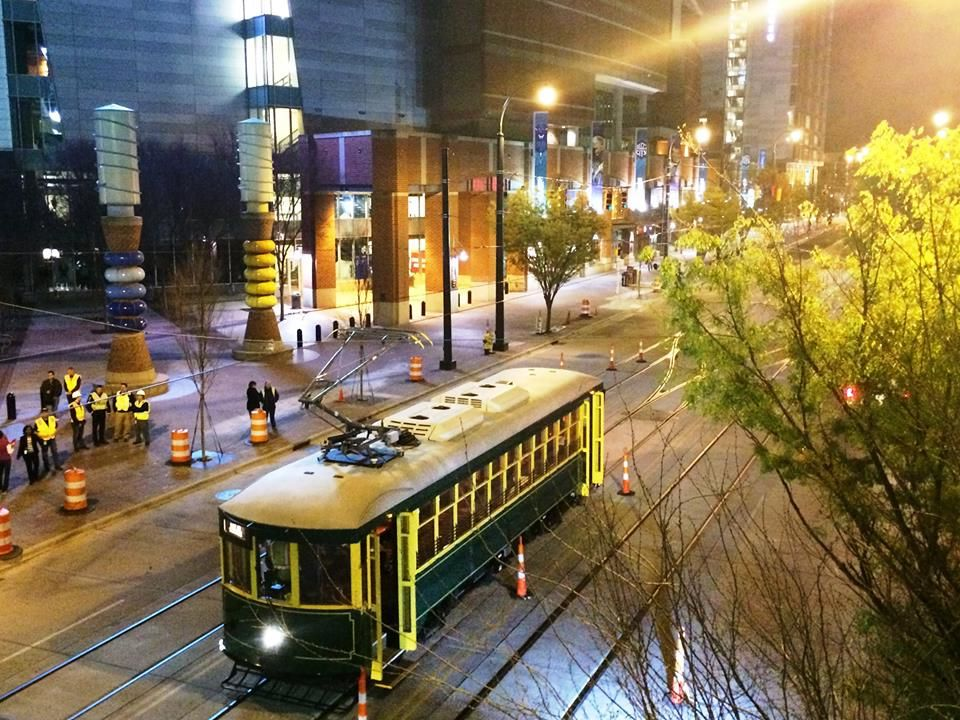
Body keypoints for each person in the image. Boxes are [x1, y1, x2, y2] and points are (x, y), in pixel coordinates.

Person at [34, 406, 63, 474]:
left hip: (52, 438)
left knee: (55, 451)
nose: (45, 414)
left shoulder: (52, 418)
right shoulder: (38, 421)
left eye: (46, 412)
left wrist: (55, 431)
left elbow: (56, 426)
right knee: (45, 454)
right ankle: (47, 467)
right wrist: (40, 436)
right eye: (43, 412)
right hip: (44, 440)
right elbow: (35, 431)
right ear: (41, 413)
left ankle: (57, 465)